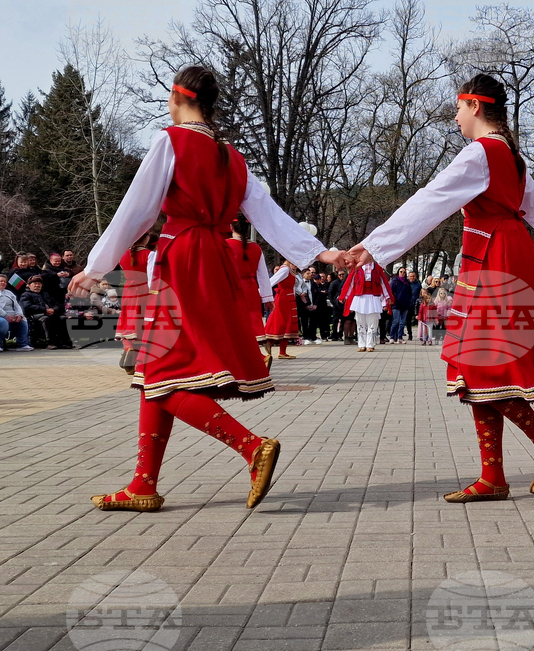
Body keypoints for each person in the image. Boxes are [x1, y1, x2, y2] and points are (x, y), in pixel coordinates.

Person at [70, 66, 344, 512]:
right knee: (156, 369)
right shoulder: (231, 156)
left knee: (160, 370)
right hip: (214, 258)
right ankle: (143, 484)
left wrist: (95, 266)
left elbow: (137, 210)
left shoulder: (171, 141)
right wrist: (319, 253)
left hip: (181, 257)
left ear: (177, 97)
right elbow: (268, 215)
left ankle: (250, 446)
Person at [348, 74, 534, 503]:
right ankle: (492, 476)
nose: (456, 116)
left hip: (495, 262)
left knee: (480, 364)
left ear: (475, 106)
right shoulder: (511, 157)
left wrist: (375, 246)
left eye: (459, 108)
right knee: (474, 368)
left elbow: (431, 199)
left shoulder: (482, 153)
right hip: (500, 257)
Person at [226, 214, 272, 367]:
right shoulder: (256, 248)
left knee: (233, 324)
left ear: (231, 227)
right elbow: (263, 276)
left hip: (231, 287)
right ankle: (255, 358)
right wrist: (267, 298)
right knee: (249, 323)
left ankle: (250, 359)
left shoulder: (226, 245)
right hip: (251, 289)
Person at [116, 233, 158, 374]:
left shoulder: (123, 254)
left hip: (128, 289)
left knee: (129, 319)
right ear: (146, 238)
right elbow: (151, 277)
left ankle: (128, 348)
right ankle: (137, 356)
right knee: (142, 321)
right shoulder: (149, 254)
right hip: (143, 289)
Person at [339, 260, 393, 352]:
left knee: (372, 323)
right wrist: (345, 296)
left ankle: (370, 344)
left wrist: (388, 297)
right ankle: (362, 344)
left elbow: (384, 283)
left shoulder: (377, 268)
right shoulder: (357, 267)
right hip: (359, 298)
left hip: (373, 298)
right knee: (360, 323)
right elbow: (350, 283)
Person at [20, 275, 72, 349]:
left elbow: (56, 304)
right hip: (35, 316)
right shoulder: (25, 295)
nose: (37, 285)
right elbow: (27, 307)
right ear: (29, 285)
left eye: (39, 284)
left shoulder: (45, 294)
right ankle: (50, 342)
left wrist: (54, 310)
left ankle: (64, 342)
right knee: (46, 319)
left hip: (50, 313)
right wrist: (45, 310)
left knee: (63, 318)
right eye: (35, 283)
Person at [0, 274, 32, 352]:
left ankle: (22, 344)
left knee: (23, 320)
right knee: (2, 322)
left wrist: (19, 314)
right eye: (1, 281)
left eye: (5, 282)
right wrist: (5, 316)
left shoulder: (8, 292)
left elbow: (17, 305)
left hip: (10, 315)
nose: (3, 283)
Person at [266, 261, 301, 359]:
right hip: (283, 299)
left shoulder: (289, 269)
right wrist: (261, 293)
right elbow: (271, 281)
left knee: (287, 323)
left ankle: (282, 351)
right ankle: (270, 342)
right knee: (282, 322)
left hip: (289, 298)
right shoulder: (285, 269)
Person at [296, 266, 321, 345]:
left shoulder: (313, 283)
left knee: (313, 322)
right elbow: (299, 295)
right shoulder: (300, 284)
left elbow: (318, 294)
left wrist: (315, 304)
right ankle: (306, 337)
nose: (310, 275)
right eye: (308, 273)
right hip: (304, 306)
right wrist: (305, 305)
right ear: (303, 274)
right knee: (304, 322)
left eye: (310, 273)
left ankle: (313, 337)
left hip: (313, 305)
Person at [388, 268, 411, 343]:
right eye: (401, 271)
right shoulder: (395, 281)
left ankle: (400, 337)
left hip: (405, 304)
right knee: (396, 321)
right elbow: (391, 291)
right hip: (396, 304)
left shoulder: (407, 282)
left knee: (402, 322)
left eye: (404, 272)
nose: (402, 273)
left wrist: (409, 301)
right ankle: (392, 337)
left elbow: (410, 292)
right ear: (398, 272)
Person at [328, 269, 347, 341]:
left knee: (343, 321)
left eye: (343, 274)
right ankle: (334, 335)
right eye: (340, 275)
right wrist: (334, 303)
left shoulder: (347, 282)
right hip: (336, 305)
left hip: (345, 305)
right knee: (335, 320)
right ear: (337, 275)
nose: (341, 276)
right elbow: (330, 294)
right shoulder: (334, 283)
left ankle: (340, 335)